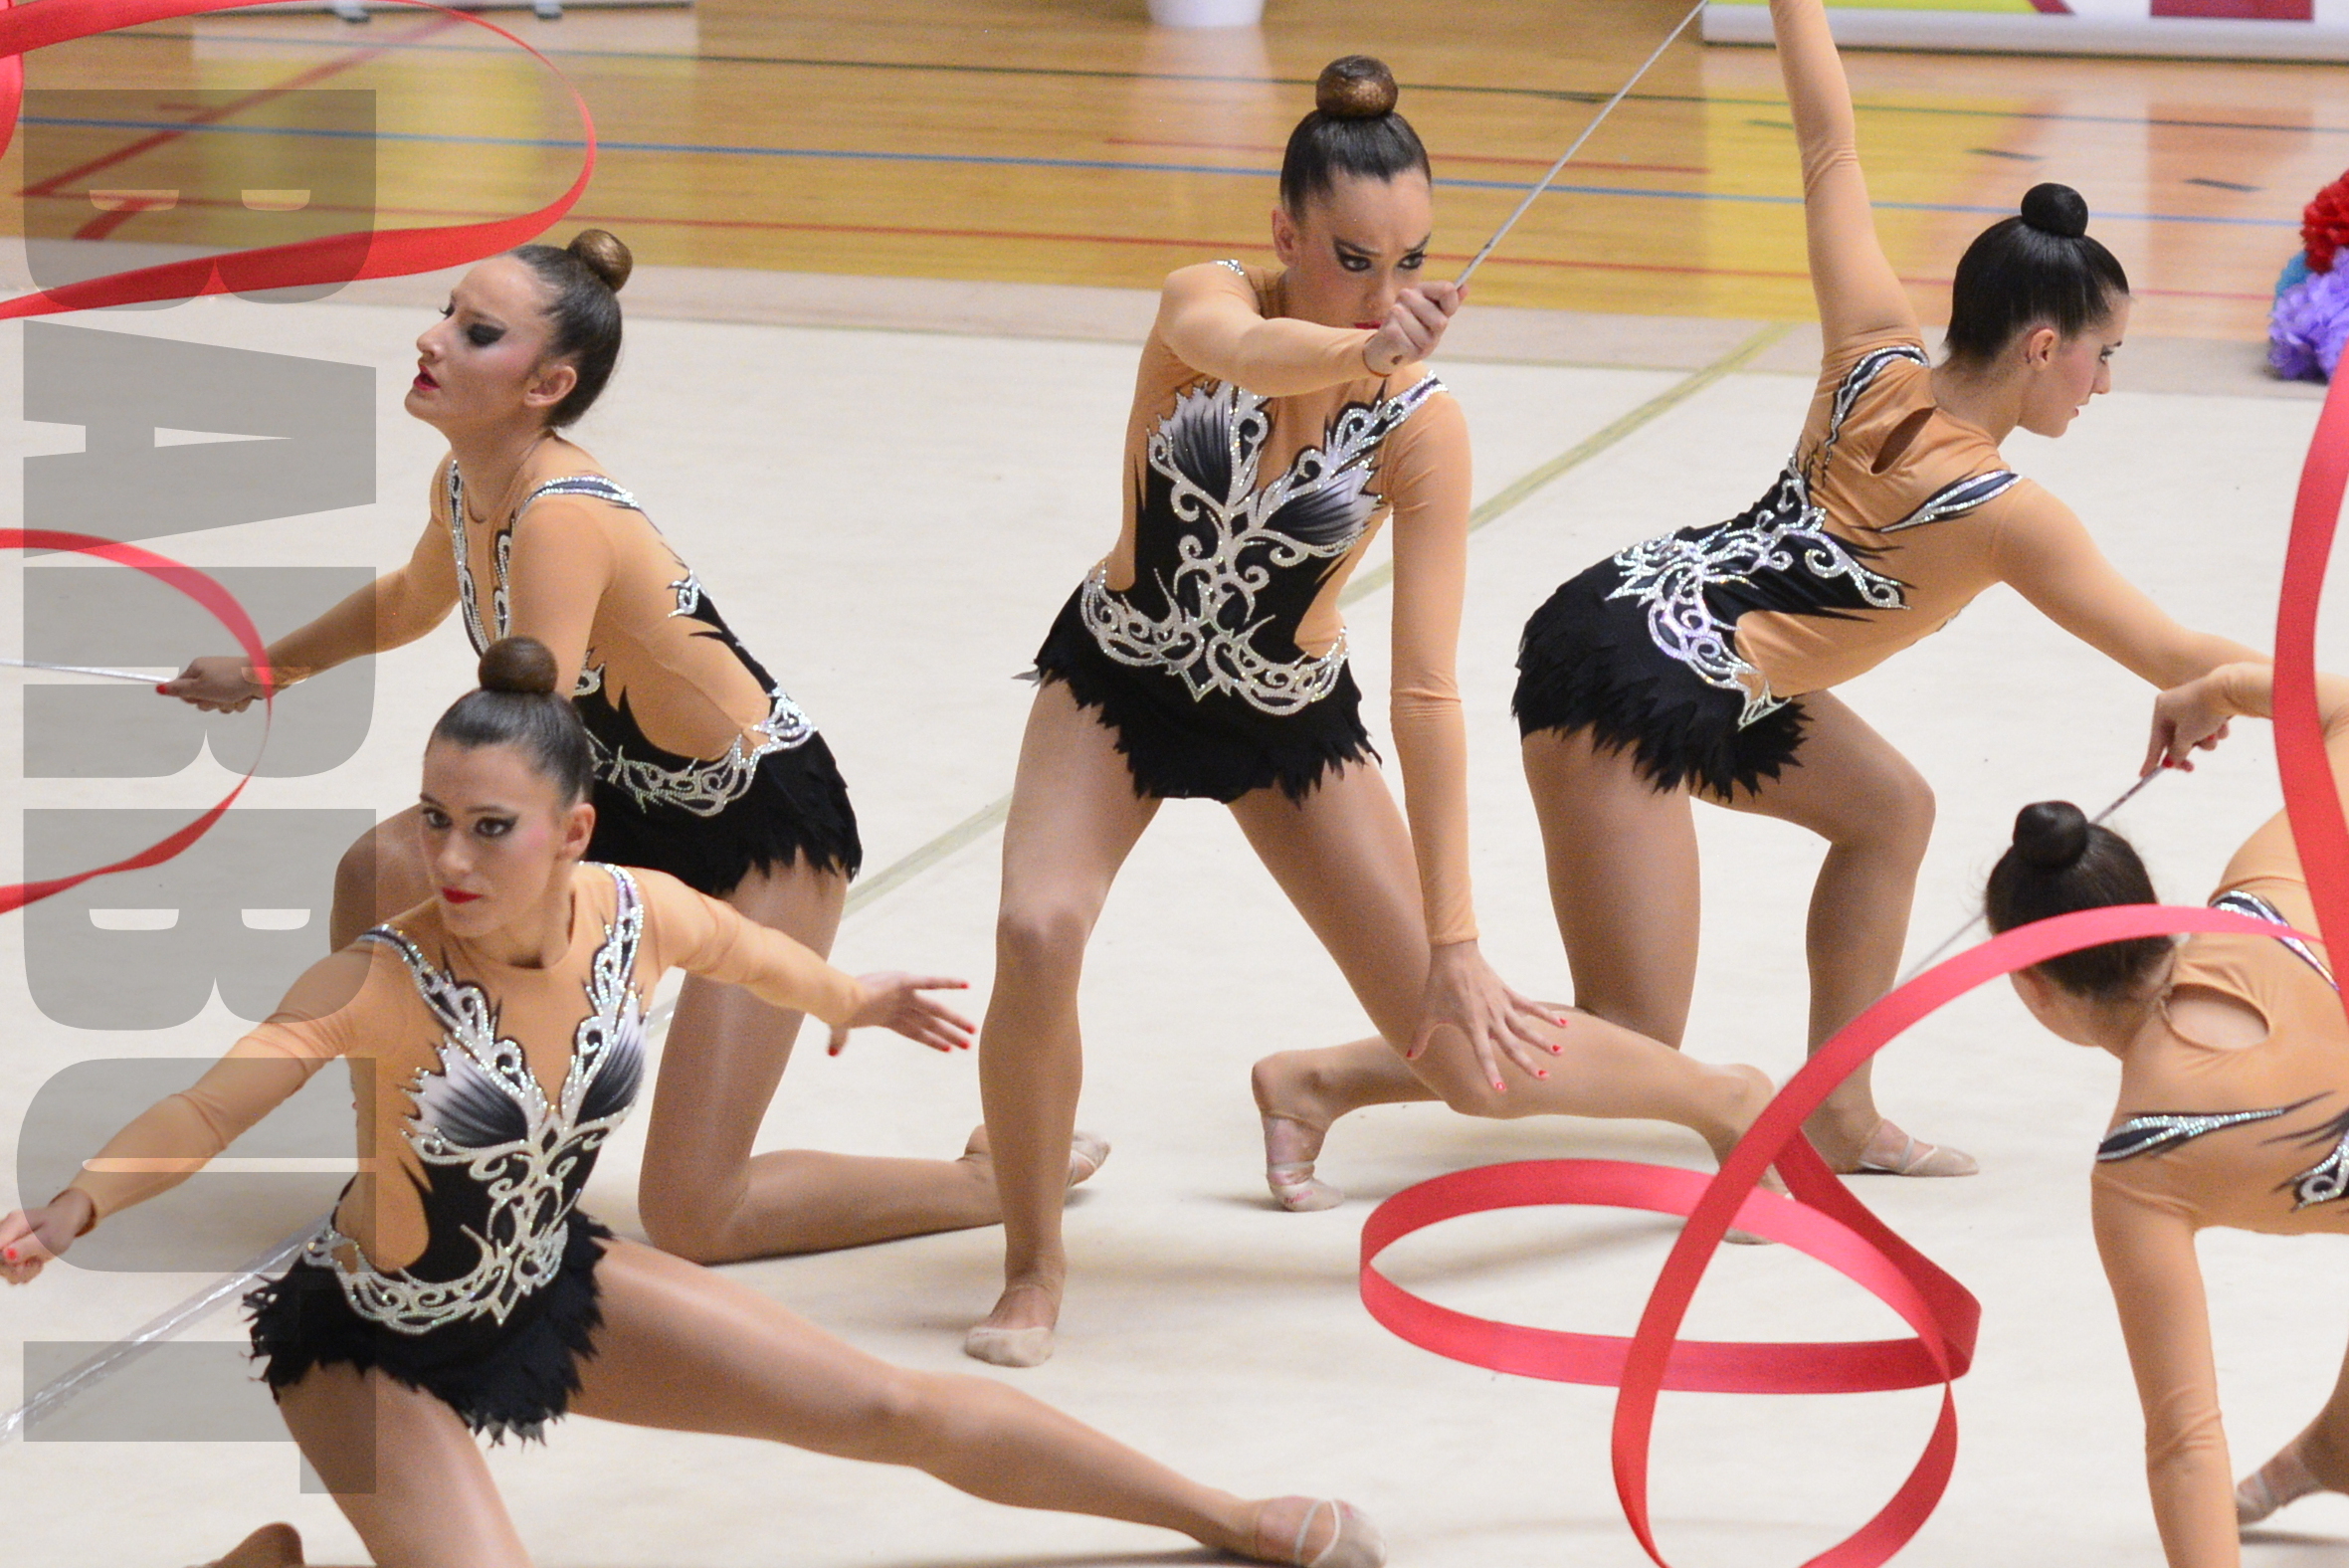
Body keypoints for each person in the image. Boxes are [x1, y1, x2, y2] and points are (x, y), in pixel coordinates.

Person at [5, 640, 1383, 1568]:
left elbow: (755, 956)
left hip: (547, 1282)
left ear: (573, 833)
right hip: (377, 1344)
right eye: (435, 819)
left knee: (890, 1406)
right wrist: (75, 1206)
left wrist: (855, 999)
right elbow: (207, 1109)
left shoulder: (637, 912)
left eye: (491, 827)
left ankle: (1229, 1516)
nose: (451, 857)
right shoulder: (381, 976)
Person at [1256, 0, 2263, 1191]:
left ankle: (1841, 1113)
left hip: (1661, 626)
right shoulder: (2005, 512)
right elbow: (2177, 653)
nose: (2105, 384)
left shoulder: (1874, 346)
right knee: (1634, 1032)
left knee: (1888, 808)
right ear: (2044, 347)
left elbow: (1829, 146)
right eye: (2105, 356)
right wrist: (2303, 698)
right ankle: (1319, 1079)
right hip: (1630, 681)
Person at [968, 54, 1777, 1369]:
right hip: (1120, 675)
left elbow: (1427, 692)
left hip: (1285, 721)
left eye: (1410, 264)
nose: (1387, 291)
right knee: (1036, 925)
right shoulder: (1205, 302)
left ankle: (1725, 1098)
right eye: (1353, 259)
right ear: (1284, 234)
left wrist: (1457, 938)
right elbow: (1245, 352)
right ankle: (1031, 1266)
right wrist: (1360, 342)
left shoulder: (1420, 426)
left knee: (1469, 1060)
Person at [162, 231, 1102, 1262]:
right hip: (618, 795)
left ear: (547, 385)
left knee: (698, 1215)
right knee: (376, 871)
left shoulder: (561, 517)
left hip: (757, 827)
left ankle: (995, 1177)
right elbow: (415, 597)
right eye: (445, 314)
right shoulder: (465, 481)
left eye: (477, 333)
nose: (432, 339)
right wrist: (269, 670)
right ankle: (406, 1164)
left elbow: (529, 739)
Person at [1989, 659, 2349, 1566]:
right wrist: (2219, 690)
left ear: (2034, 989)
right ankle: (2337, 1450)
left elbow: (2185, 1443)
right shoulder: (2268, 884)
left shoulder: (2139, 1172)